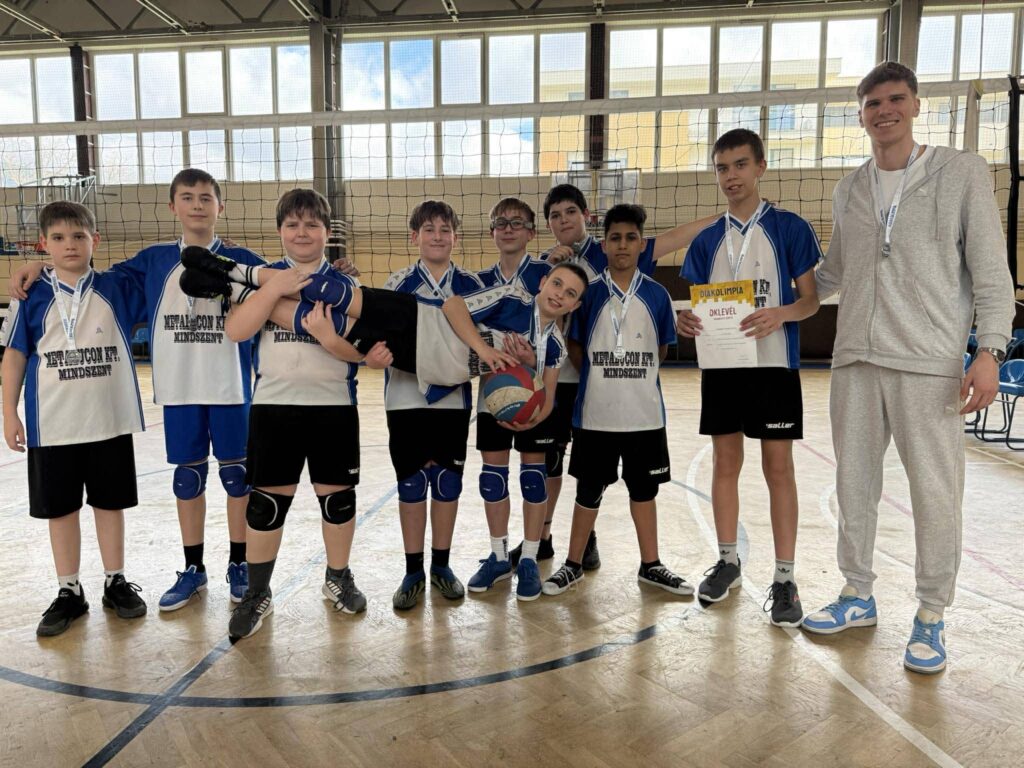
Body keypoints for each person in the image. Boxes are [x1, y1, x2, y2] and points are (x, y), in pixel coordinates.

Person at [802, 62, 1015, 672]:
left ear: (916, 105)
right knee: (854, 486)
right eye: (872, 103)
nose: (884, 110)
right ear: (861, 114)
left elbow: (992, 275)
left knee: (935, 494)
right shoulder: (850, 187)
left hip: (928, 363)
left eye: (895, 99)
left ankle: (930, 614)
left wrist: (990, 351)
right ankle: (857, 594)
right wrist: (760, 295)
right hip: (855, 361)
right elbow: (832, 274)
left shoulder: (961, 172)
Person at [9, 168, 265, 611]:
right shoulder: (152, 261)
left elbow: (282, 281)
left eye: (206, 197)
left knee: (237, 478)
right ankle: (193, 568)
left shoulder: (244, 259)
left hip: (232, 390)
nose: (197, 205)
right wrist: (41, 265)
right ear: (172, 207)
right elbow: (84, 273)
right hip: (179, 391)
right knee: (188, 479)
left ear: (221, 207)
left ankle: (239, 563)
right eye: (187, 197)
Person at [220, 189, 387, 640]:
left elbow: (359, 349)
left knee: (338, 500)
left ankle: (338, 576)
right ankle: (257, 593)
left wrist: (332, 339)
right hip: (274, 407)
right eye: (292, 224)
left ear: (327, 233)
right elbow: (236, 330)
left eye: (312, 224)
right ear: (280, 231)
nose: (302, 232)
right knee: (266, 504)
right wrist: (274, 287)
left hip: (333, 407)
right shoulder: (262, 280)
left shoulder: (345, 286)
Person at [677, 129, 821, 627]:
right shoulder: (706, 240)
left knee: (778, 469)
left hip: (774, 367)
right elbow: (698, 306)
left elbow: (811, 300)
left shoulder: (789, 228)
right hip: (722, 368)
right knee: (725, 463)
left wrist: (781, 313)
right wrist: (686, 321)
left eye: (740, 165)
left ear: (761, 166)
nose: (731, 176)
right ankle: (727, 561)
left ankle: (785, 578)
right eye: (722, 167)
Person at [538, 185, 720, 571]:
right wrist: (548, 267)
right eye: (554, 215)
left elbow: (678, 237)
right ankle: (544, 537)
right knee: (555, 464)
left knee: (607, 477)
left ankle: (597, 545)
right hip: (561, 379)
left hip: (606, 386)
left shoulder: (616, 252)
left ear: (586, 216)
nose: (563, 220)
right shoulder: (547, 265)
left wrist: (728, 215)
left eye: (570, 212)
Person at [1, 202, 148, 636]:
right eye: (59, 238)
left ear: (94, 240)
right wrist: (8, 412)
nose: (70, 245)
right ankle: (69, 590)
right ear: (43, 244)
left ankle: (115, 581)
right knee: (60, 510)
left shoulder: (117, 287)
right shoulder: (29, 295)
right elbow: (14, 356)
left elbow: (162, 266)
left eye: (79, 236)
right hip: (53, 424)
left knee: (110, 504)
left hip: (108, 420)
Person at [382, 201, 484, 610]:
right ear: (415, 237)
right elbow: (379, 336)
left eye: (445, 230)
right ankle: (413, 571)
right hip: (404, 399)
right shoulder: (397, 283)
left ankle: (441, 565)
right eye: (429, 229)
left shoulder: (472, 285)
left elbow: (484, 339)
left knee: (446, 483)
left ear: (455, 237)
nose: (437, 236)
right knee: (411, 483)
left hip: (453, 402)